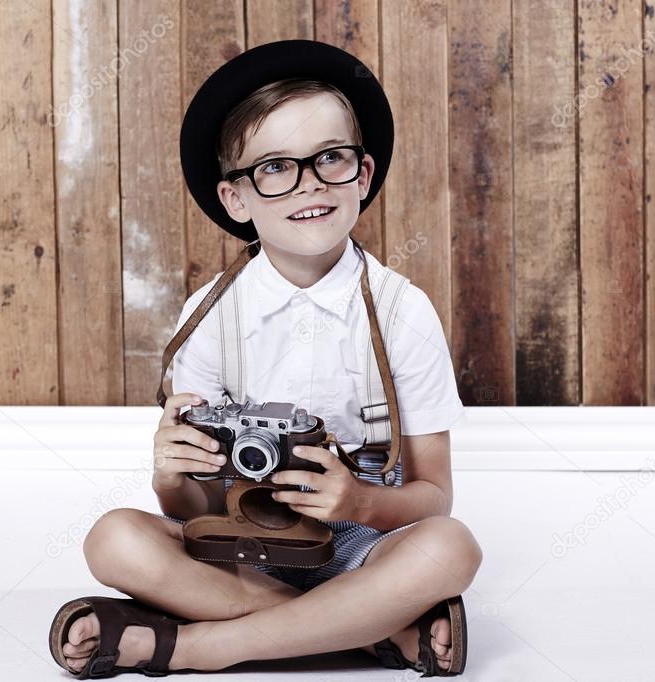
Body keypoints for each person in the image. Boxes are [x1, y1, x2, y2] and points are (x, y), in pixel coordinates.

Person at [48, 39, 482, 678]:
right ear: (236, 199)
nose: (309, 184)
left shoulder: (401, 311)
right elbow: (189, 513)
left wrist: (358, 502)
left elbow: (433, 497)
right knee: (114, 538)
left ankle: (189, 646)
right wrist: (172, 476)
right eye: (275, 167)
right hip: (240, 547)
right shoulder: (210, 314)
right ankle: (374, 633)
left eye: (329, 158)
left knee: (451, 549)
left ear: (361, 175)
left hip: (361, 546)